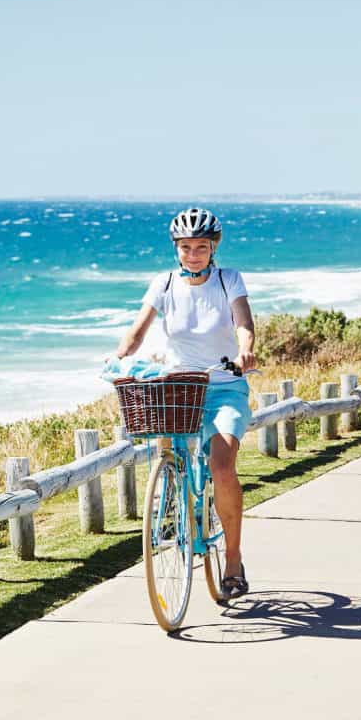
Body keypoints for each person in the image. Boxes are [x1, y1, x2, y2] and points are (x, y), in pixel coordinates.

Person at [114, 207, 257, 601]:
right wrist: (119, 357)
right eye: (186, 247)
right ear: (176, 249)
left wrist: (246, 351)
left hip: (225, 384)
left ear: (213, 249)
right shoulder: (163, 283)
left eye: (201, 247)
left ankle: (232, 559)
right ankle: (173, 494)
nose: (193, 254)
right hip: (181, 386)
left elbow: (243, 322)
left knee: (222, 465)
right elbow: (138, 329)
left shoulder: (229, 280)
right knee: (168, 442)